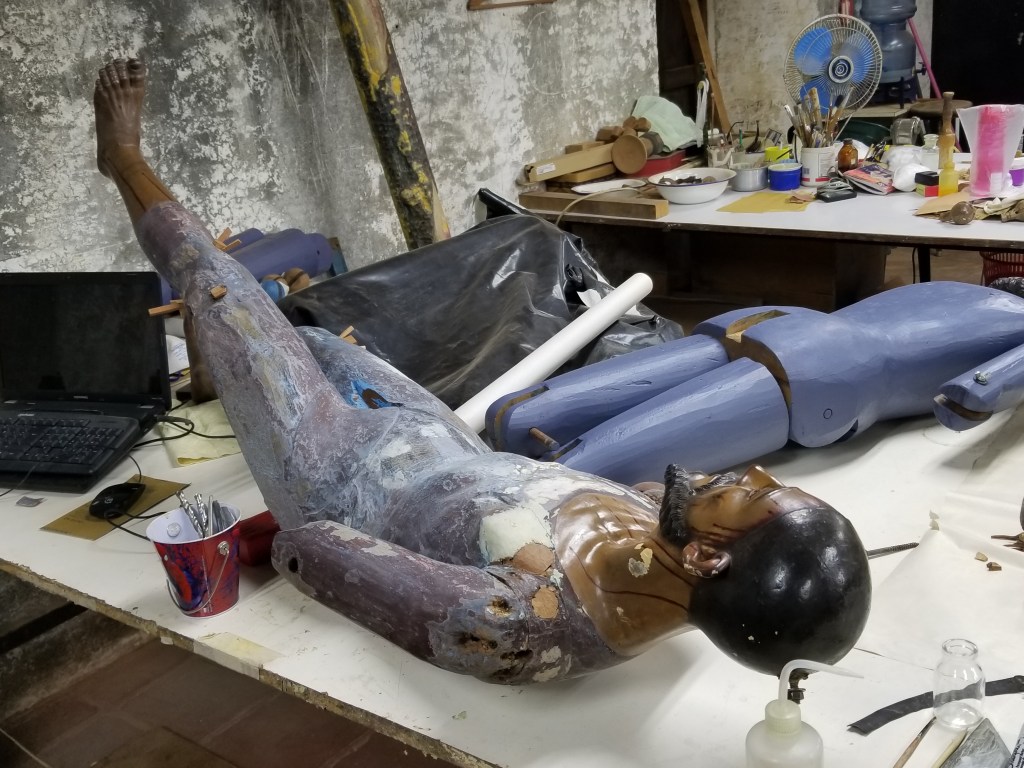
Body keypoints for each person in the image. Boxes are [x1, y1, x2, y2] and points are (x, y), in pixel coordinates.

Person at [93, 58, 869, 684]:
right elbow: (616, 494)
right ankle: (225, 366)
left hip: (330, 471)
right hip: (435, 441)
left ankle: (124, 160)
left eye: (751, 493)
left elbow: (311, 551)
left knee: (224, 290)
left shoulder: (521, 625)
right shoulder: (664, 538)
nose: (753, 470)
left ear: (705, 558)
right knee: (315, 340)